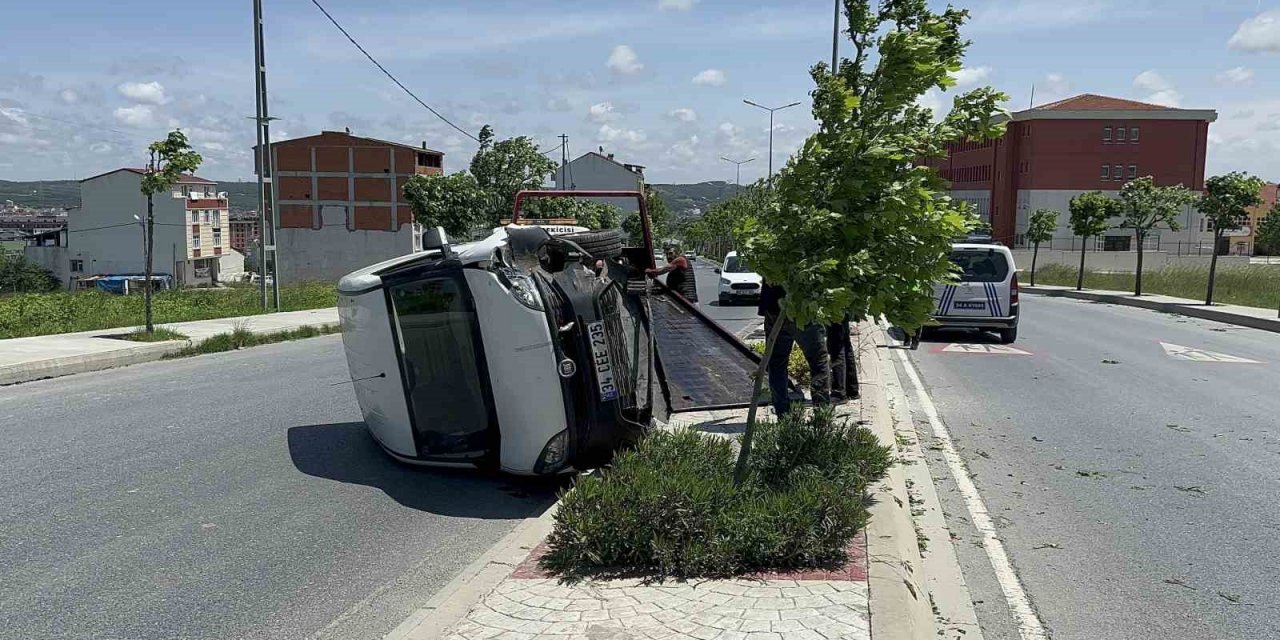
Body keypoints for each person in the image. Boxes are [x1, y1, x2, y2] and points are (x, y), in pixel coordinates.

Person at [758, 280, 830, 416]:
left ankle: (783, 415)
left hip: (774, 306)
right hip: (804, 308)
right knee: (818, 361)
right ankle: (822, 417)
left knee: (776, 363)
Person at [826, 316, 859, 401]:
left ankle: (839, 393)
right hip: (843, 307)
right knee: (845, 344)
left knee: (836, 345)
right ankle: (851, 389)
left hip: (834, 309)